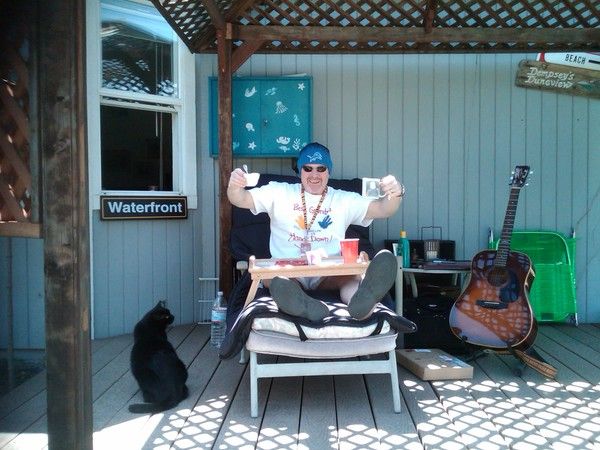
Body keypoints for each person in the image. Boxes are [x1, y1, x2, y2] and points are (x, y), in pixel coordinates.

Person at [227, 142, 406, 321]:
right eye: (308, 168)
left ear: (329, 171)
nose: (314, 175)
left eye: (321, 168)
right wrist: (235, 185)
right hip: (288, 271)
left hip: (329, 273)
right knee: (274, 279)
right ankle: (300, 303)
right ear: (300, 171)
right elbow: (240, 199)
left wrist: (396, 193)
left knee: (349, 278)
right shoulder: (278, 191)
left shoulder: (343, 199)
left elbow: (383, 209)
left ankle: (361, 302)